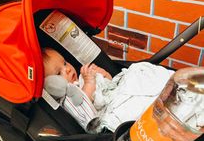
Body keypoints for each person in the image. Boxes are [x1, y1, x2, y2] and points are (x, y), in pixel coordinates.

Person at [42, 47, 174, 133]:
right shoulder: (68, 96)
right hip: (109, 109)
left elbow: (110, 83)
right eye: (59, 73)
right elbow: (84, 101)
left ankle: (164, 86)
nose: (68, 69)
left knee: (137, 71)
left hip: (115, 92)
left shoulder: (83, 76)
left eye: (65, 63)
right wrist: (89, 81)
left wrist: (102, 74)